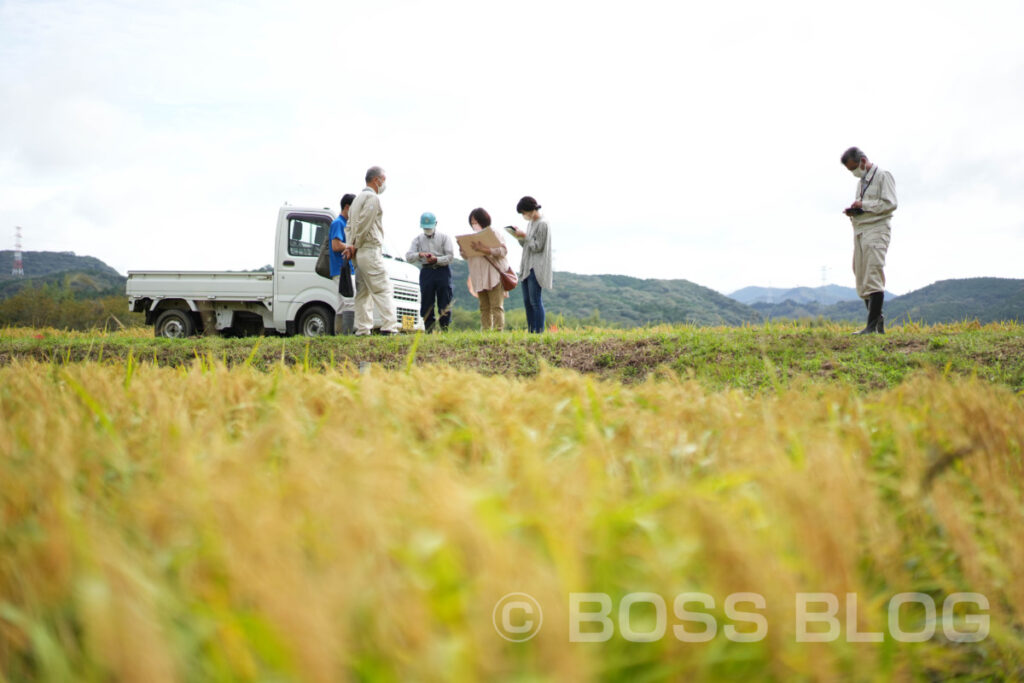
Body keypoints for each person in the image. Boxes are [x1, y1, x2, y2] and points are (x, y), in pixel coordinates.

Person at [841, 147, 897, 334]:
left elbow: (890, 204)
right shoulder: (861, 182)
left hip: (877, 230)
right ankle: (876, 322)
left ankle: (871, 327)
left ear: (863, 161)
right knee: (861, 273)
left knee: (873, 272)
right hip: (861, 230)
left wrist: (863, 205)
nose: (854, 172)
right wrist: (855, 210)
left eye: (854, 167)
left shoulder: (883, 176)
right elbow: (867, 206)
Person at [342, 166, 400, 335]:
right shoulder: (372, 198)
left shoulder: (356, 200)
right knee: (382, 287)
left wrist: (350, 245)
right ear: (377, 180)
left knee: (363, 291)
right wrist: (355, 244)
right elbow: (364, 223)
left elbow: (350, 226)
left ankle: (362, 327)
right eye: (384, 180)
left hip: (358, 252)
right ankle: (389, 326)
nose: (384, 183)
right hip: (368, 249)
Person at [458, 207, 510, 331]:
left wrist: (485, 250)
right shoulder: (471, 237)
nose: (474, 225)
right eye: (472, 223)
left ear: (483, 220)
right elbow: (466, 256)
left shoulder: (493, 233)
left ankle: (498, 332)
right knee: (484, 307)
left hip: (494, 275)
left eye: (476, 222)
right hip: (479, 276)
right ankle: (486, 332)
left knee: (496, 306)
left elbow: (503, 250)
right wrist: (462, 249)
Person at [405, 212, 455, 332]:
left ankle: (445, 328)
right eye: (425, 228)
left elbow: (450, 256)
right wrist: (419, 254)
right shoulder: (417, 239)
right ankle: (428, 329)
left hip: (442, 270)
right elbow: (408, 256)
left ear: (435, 224)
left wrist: (436, 259)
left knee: (444, 299)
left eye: (429, 227)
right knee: (427, 300)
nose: (427, 230)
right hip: (426, 271)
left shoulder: (444, 238)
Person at [511, 196, 552, 333]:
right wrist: (519, 236)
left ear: (531, 209)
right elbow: (527, 245)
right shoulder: (530, 224)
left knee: (535, 301)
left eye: (524, 212)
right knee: (527, 302)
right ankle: (531, 331)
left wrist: (526, 237)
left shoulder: (543, 223)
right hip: (526, 266)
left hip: (536, 267)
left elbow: (538, 246)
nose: (524, 216)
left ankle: (539, 332)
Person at [330, 193, 357, 334]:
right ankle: (347, 334)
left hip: (341, 269)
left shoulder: (343, 223)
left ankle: (340, 334)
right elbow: (335, 245)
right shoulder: (338, 223)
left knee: (341, 303)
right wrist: (349, 246)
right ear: (347, 207)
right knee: (349, 301)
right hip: (342, 269)